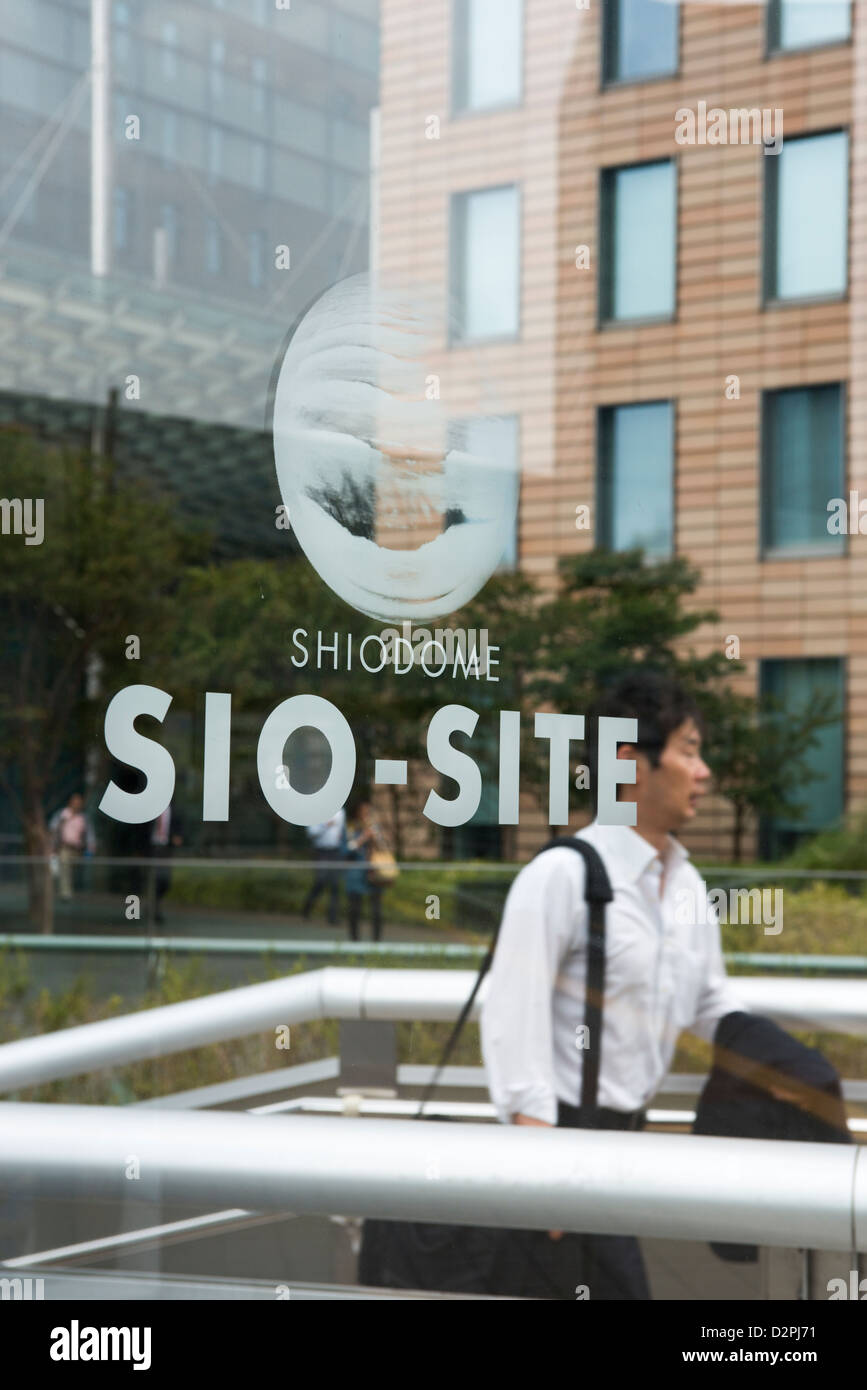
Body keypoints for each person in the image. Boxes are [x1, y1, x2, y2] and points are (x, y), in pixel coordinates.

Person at [480, 668, 745, 1300]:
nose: (704, 770)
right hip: (562, 1154)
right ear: (631, 761)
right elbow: (511, 1020)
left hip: (627, 1150)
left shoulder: (683, 881)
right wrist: (543, 1174)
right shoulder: (563, 876)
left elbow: (711, 1000)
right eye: (687, 750)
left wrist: (784, 1060)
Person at [345, 800, 391, 943]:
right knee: (355, 910)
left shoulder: (375, 828)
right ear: (358, 814)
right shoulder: (351, 828)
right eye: (364, 813)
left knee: (376, 911)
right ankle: (354, 941)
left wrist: (375, 836)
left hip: (374, 873)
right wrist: (363, 837)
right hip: (356, 874)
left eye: (369, 813)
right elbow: (346, 850)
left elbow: (384, 848)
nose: (367, 816)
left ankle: (376, 942)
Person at [301, 807, 346, 926]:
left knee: (335, 884)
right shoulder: (315, 812)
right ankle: (307, 909)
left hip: (335, 851)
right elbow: (311, 833)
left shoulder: (340, 811)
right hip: (321, 852)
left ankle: (333, 917)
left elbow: (341, 831)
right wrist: (325, 825)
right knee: (320, 881)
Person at [150, 803, 183, 925]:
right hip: (152, 848)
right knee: (151, 880)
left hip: (166, 849)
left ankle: (156, 904)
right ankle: (154, 909)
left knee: (164, 880)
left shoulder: (174, 810)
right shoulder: (150, 808)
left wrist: (177, 837)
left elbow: (178, 827)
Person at [55, 793, 87, 901]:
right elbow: (56, 829)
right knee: (65, 869)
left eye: (79, 803)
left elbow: (85, 833)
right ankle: (65, 894)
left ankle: (73, 892)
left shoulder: (82, 818)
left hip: (77, 849)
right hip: (65, 847)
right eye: (75, 802)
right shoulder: (63, 814)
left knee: (74, 871)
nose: (77, 805)